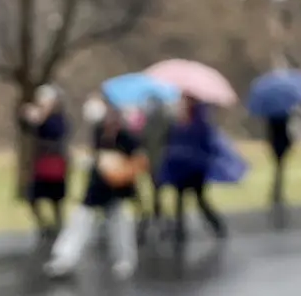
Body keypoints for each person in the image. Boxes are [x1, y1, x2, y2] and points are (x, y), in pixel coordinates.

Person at [44, 92, 146, 280]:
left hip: (118, 189)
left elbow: (139, 161)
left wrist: (121, 168)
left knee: (121, 225)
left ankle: (125, 260)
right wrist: (92, 161)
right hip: (97, 187)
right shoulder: (99, 132)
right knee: (80, 220)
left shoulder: (127, 136)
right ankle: (64, 259)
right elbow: (97, 155)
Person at [161, 95, 226, 245]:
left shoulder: (200, 124)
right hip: (181, 167)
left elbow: (206, 145)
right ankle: (179, 232)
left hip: (196, 168)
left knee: (200, 199)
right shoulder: (178, 124)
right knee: (179, 200)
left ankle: (217, 226)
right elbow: (171, 141)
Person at [18, 83, 69, 236]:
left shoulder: (58, 118)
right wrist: (26, 115)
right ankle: (43, 226)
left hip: (55, 161)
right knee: (33, 196)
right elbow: (26, 127)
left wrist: (42, 117)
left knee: (56, 198)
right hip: (41, 162)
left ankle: (59, 225)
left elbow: (57, 132)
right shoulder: (38, 116)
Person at [138, 95, 173, 238]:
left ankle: (158, 219)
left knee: (157, 192)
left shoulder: (160, 122)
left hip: (158, 161)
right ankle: (157, 218)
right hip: (156, 161)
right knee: (156, 192)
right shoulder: (161, 121)